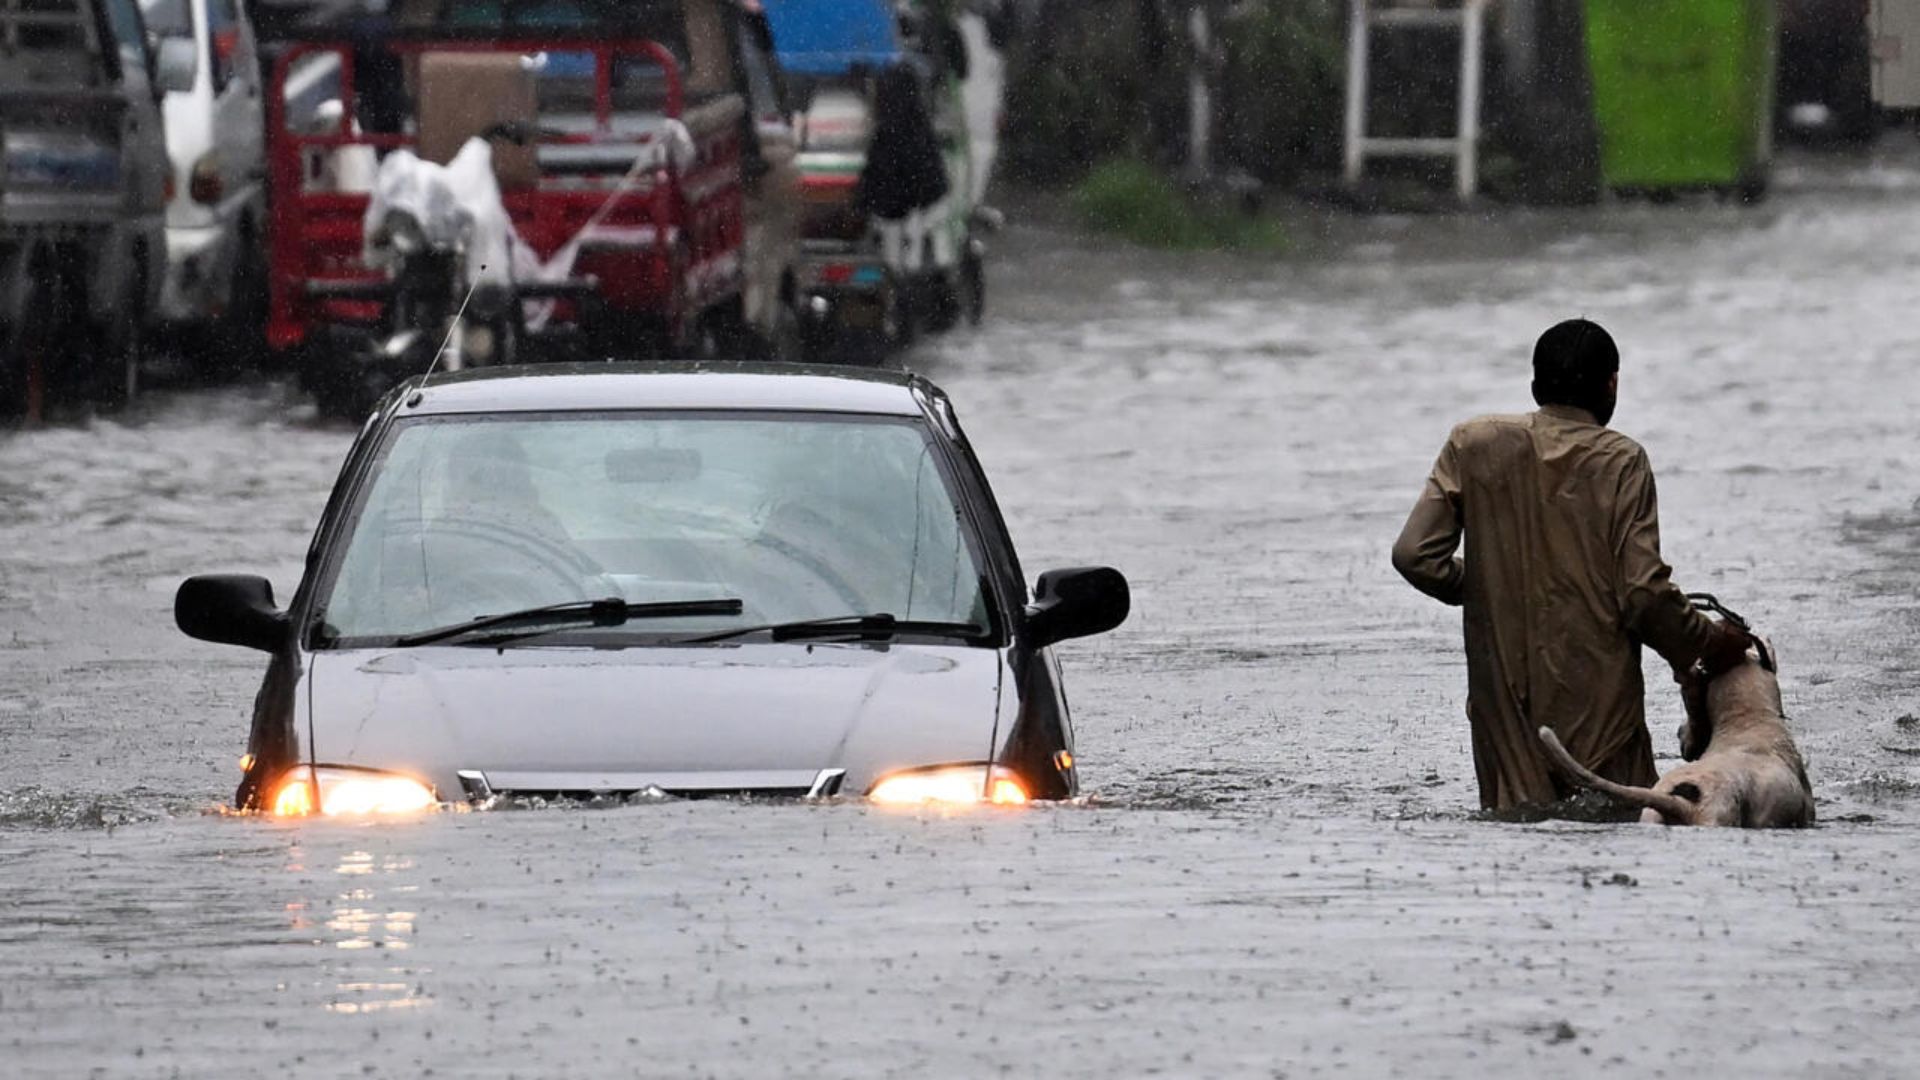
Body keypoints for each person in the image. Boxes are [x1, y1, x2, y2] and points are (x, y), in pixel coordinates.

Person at [1391, 318, 1753, 813]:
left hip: (1505, 720)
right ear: (1612, 385)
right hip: (1602, 719)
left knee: (1517, 833)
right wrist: (1711, 642)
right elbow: (1644, 595)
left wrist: (1491, 585)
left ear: (1535, 384)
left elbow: (1414, 555)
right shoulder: (1622, 460)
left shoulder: (1473, 443)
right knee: (1616, 824)